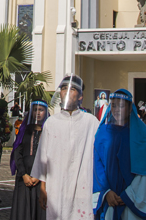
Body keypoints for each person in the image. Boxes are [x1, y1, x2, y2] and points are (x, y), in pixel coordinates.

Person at [31, 75, 100, 220]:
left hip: (83, 186)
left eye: (72, 89)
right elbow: (43, 157)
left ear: (80, 96)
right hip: (56, 186)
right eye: (63, 88)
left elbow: (101, 155)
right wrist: (43, 188)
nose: (67, 92)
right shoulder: (51, 122)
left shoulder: (91, 122)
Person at [92, 89, 146, 220]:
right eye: (113, 105)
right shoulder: (102, 133)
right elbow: (97, 165)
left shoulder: (142, 134)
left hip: (133, 199)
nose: (117, 109)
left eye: (121, 105)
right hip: (109, 198)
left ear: (130, 108)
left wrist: (128, 195)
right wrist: (106, 192)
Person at [10, 100, 48, 220]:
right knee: (22, 211)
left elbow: (51, 156)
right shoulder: (24, 131)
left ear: (46, 112)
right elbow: (17, 152)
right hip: (24, 179)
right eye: (35, 110)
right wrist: (23, 174)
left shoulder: (49, 132)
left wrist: (40, 176)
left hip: (41, 181)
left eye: (41, 110)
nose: (38, 113)